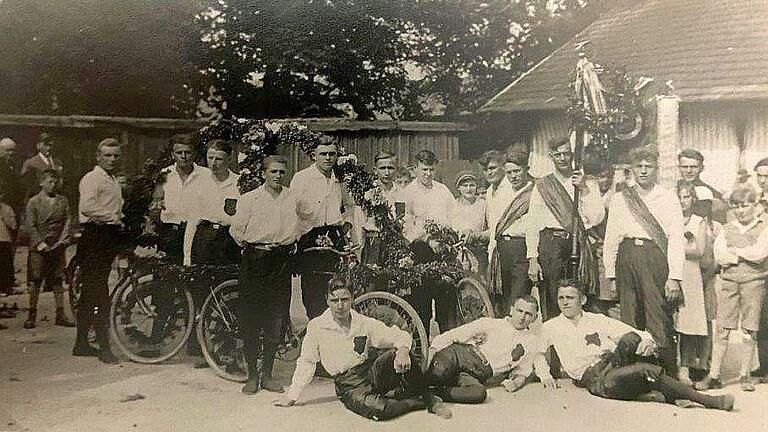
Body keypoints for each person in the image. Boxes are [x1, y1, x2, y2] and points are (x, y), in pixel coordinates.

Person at [538, 279, 734, 411]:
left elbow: (632, 332)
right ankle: (707, 401)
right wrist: (545, 375)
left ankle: (655, 391)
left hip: (613, 363)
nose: (564, 303)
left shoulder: (595, 319)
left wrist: (647, 341)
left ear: (582, 300)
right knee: (645, 369)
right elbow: (537, 352)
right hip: (595, 378)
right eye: (561, 298)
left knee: (632, 338)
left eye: (570, 298)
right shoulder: (551, 326)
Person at [274, 276, 452, 421]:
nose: (340, 305)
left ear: (352, 299)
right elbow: (307, 361)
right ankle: (416, 402)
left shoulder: (363, 322)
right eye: (334, 300)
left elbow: (399, 336)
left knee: (399, 351)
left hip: (369, 371)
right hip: (348, 384)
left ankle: (431, 400)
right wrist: (292, 395)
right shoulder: (317, 326)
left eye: (344, 299)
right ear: (327, 301)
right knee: (380, 410)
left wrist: (403, 350)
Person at [603, 146, 685, 376]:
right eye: (639, 167)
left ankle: (669, 374)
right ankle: (631, 373)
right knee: (629, 314)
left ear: (656, 169)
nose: (644, 171)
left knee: (658, 314)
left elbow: (677, 238)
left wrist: (674, 277)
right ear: (632, 170)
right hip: (627, 256)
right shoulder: (621, 198)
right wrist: (611, 275)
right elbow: (611, 238)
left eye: (648, 166)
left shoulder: (667, 197)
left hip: (654, 257)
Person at [230, 155, 298, 395]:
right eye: (273, 172)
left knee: (276, 318)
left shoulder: (291, 198)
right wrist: (255, 248)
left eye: (282, 172)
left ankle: (268, 374)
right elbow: (237, 231)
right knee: (251, 318)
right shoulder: (250, 199)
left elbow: (296, 228)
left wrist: (283, 245)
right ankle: (251, 375)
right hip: (255, 260)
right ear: (263, 174)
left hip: (279, 261)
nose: (278, 176)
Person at [697, 185, 768, 392]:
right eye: (736, 206)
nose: (740, 210)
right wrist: (739, 254)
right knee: (722, 328)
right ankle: (714, 375)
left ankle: (745, 374)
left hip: (754, 282)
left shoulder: (763, 227)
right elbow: (720, 255)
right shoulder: (727, 228)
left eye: (745, 206)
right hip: (728, 282)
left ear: (755, 206)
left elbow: (760, 253)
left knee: (749, 329)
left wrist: (735, 253)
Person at [526, 138, 605, 321]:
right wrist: (532, 259)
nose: (562, 158)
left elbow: (596, 218)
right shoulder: (543, 185)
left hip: (577, 245)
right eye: (557, 154)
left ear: (572, 155)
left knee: (579, 297)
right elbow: (532, 223)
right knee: (554, 298)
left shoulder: (587, 182)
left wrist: (584, 189)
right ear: (551, 156)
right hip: (551, 246)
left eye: (566, 154)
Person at [426, 296, 546, 403]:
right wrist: (432, 351)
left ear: (534, 318)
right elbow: (453, 335)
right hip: (460, 355)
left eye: (528, 314)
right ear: (511, 310)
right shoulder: (490, 323)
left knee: (478, 394)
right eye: (519, 311)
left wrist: (514, 384)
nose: (522, 317)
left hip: (478, 373)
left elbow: (522, 372)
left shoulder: (531, 342)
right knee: (437, 375)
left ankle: (432, 394)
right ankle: (422, 390)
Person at [290, 139, 354, 319]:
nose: (328, 158)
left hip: (334, 235)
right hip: (310, 236)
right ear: (314, 156)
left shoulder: (340, 179)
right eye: (323, 154)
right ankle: (316, 331)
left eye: (332, 154)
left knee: (337, 287)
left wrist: (346, 225)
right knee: (313, 291)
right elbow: (292, 209)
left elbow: (349, 205)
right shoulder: (301, 178)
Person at [74, 138, 124, 364]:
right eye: (108, 155)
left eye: (116, 155)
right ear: (98, 157)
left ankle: (81, 344)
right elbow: (87, 207)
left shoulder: (112, 180)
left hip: (107, 237)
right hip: (94, 237)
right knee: (99, 293)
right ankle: (104, 346)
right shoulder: (92, 179)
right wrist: (112, 217)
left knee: (89, 293)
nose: (112, 159)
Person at [476, 150, 535, 317]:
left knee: (517, 301)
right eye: (486, 169)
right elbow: (495, 227)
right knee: (501, 302)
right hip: (500, 251)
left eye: (493, 168)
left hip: (519, 248)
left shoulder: (515, 189)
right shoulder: (489, 192)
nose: (490, 172)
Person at [22, 169, 74, 329]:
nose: (53, 185)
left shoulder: (63, 200)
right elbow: (29, 225)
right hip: (39, 248)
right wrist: (40, 243)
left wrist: (63, 240)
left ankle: (60, 314)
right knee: (36, 280)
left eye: (55, 181)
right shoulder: (34, 201)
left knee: (58, 280)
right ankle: (32, 314)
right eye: (50, 181)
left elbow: (68, 220)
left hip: (57, 247)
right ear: (41, 182)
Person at [182, 139, 241, 266]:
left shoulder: (239, 184)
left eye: (219, 159)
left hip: (229, 240)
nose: (213, 163)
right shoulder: (199, 183)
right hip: (204, 240)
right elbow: (192, 221)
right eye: (210, 158)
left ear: (229, 159)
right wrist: (187, 257)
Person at [675, 182, 710, 385]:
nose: (682, 201)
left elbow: (699, 251)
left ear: (693, 199)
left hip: (690, 274)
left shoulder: (699, 221)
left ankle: (685, 369)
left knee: (688, 324)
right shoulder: (671, 218)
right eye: (680, 196)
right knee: (671, 321)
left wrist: (677, 246)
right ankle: (670, 365)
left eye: (686, 197)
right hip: (673, 271)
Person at [159, 134, 211, 265]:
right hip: (170, 231)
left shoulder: (206, 175)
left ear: (194, 154)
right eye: (179, 152)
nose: (183, 156)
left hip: (197, 233)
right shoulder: (165, 174)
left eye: (187, 152)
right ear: (172, 154)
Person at [354, 150, 402, 266]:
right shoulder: (367, 193)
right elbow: (359, 222)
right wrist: (358, 251)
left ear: (396, 169)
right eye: (382, 168)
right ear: (375, 170)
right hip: (373, 243)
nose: (387, 172)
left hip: (394, 243)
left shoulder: (402, 193)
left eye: (390, 168)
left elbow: (404, 219)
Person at [402, 149, 454, 242]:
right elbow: (406, 226)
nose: (428, 174)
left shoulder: (443, 190)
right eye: (425, 169)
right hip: (419, 245)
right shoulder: (407, 193)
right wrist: (426, 239)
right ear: (415, 168)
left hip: (444, 242)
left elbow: (453, 214)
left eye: (432, 169)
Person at [449, 170, 487, 274]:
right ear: (459, 188)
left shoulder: (484, 205)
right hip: (457, 255)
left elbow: (491, 229)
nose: (469, 189)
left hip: (479, 252)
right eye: (465, 186)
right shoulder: (453, 205)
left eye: (472, 185)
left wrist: (476, 235)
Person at [677, 149, 726, 223]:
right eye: (685, 167)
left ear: (701, 168)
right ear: (679, 168)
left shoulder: (708, 192)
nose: (689, 171)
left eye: (694, 167)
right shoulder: (673, 189)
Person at [753, 157, 768, 383]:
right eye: (760, 176)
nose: (764, 180)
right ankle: (764, 366)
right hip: (760, 264)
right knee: (761, 316)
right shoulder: (754, 202)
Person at [21, 132, 64, 200]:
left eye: (51, 145)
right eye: (46, 145)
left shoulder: (58, 162)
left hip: (56, 199)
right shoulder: (30, 163)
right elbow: (26, 186)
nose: (49, 148)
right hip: (38, 200)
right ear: (38, 146)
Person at [0, 178, 17, 318]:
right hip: (3, 242)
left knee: (4, 274)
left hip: (3, 242)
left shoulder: (5, 208)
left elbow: (13, 225)